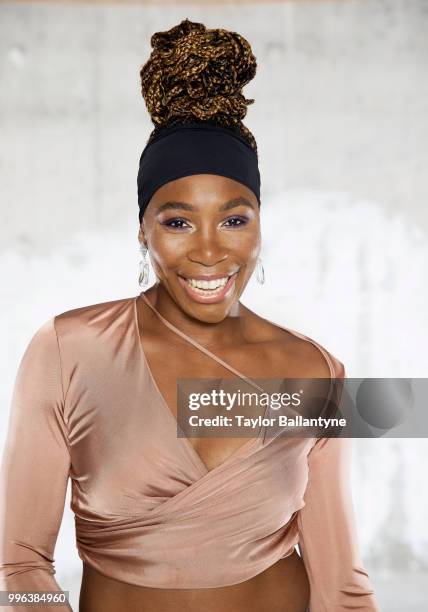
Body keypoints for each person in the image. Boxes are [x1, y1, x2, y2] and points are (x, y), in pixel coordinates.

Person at [0, 18, 380, 612]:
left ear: (259, 225)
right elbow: (21, 564)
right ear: (142, 230)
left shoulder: (317, 372)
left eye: (234, 218)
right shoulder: (67, 352)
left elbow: (342, 585)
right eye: (177, 221)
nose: (209, 250)